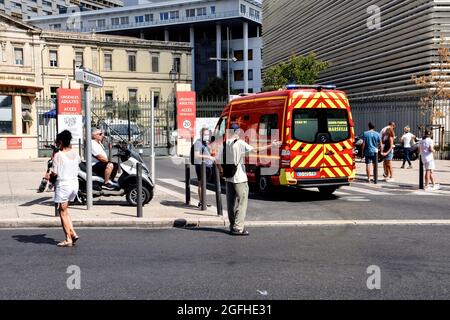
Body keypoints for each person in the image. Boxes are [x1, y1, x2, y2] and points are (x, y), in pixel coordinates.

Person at [216, 124, 281, 236]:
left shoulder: (224, 144)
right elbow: (256, 150)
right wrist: (272, 145)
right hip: (239, 178)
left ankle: (232, 226)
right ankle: (238, 228)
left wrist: (221, 172)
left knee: (231, 204)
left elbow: (217, 160)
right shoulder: (240, 143)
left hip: (228, 178)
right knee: (242, 203)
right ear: (236, 132)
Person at [50, 130, 80, 247]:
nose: (56, 144)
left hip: (63, 185)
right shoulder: (75, 154)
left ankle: (68, 238)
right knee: (66, 210)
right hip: (74, 184)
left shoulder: (58, 155)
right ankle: (73, 233)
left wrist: (49, 175)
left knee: (61, 212)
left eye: (57, 142)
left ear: (61, 142)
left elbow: (54, 172)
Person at [193, 128, 215, 208]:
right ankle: (201, 202)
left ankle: (203, 201)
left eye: (207, 134)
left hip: (207, 166)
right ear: (201, 134)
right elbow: (197, 155)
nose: (207, 136)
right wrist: (208, 157)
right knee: (201, 184)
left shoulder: (205, 142)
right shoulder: (198, 143)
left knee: (204, 184)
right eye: (205, 134)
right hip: (201, 166)